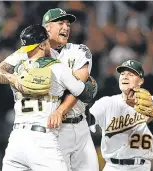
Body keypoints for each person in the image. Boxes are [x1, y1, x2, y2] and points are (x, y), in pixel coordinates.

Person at [0, 24, 95, 171]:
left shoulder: (19, 69)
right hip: (42, 140)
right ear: (43, 44)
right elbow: (84, 93)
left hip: (16, 141)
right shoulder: (57, 67)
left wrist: (14, 79)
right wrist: (90, 83)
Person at [88, 60, 153, 171]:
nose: (125, 77)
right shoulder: (107, 103)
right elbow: (85, 121)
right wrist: (80, 99)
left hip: (140, 166)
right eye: (122, 74)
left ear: (140, 81)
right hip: (112, 167)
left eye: (130, 74)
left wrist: (150, 121)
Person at [42, 8, 99, 171]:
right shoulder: (36, 54)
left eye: (68, 24)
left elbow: (78, 88)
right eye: (60, 23)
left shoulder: (79, 50)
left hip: (81, 127)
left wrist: (60, 110)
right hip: (54, 131)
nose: (66, 27)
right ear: (47, 28)